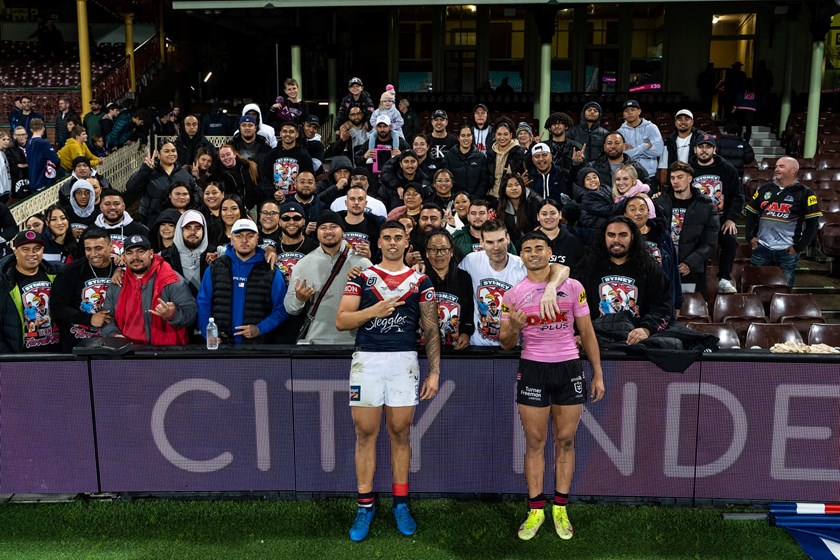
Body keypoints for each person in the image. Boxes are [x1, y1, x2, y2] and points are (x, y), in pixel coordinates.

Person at [335, 220, 441, 542]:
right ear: (378, 242)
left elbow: (431, 328)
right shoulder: (363, 278)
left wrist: (435, 371)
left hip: (404, 362)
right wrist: (374, 311)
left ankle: (400, 503)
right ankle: (365, 505)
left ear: (407, 242)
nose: (393, 243)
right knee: (365, 433)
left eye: (399, 237)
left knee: (400, 433)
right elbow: (341, 320)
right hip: (367, 360)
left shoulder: (421, 281)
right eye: (387, 238)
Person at [499, 231, 604, 542]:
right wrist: (514, 330)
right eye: (527, 249)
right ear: (522, 256)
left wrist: (597, 373)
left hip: (569, 368)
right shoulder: (513, 294)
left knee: (566, 440)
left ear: (550, 252)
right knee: (534, 442)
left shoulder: (572, 287)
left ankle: (560, 506)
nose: (533, 253)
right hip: (532, 370)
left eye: (539, 248)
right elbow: (505, 343)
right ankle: (535, 509)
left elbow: (587, 333)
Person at [458, 220, 568, 346]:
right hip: (479, 345)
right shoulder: (471, 261)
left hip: (514, 346)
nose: (496, 247)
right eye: (490, 242)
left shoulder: (521, 264)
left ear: (508, 239)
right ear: (481, 243)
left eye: (500, 240)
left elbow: (563, 269)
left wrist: (551, 287)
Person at [573, 216, 672, 343]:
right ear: (604, 237)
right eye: (611, 235)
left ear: (632, 237)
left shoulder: (649, 268)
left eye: (623, 235)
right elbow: (574, 305)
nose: (616, 240)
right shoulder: (587, 267)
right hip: (595, 338)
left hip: (636, 341)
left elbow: (663, 307)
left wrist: (646, 329)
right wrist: (579, 332)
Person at [284, 210, 372, 344]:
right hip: (316, 342)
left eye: (333, 226)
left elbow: (376, 303)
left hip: (355, 342)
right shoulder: (303, 264)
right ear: (317, 233)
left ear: (343, 231)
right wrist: (299, 298)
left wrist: (363, 283)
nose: (328, 231)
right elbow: (290, 307)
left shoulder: (361, 262)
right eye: (323, 228)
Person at [197, 219, 287, 345]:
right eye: (239, 236)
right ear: (231, 239)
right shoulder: (215, 268)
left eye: (250, 236)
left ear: (257, 238)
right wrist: (209, 333)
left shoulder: (271, 270)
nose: (244, 241)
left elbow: (281, 308)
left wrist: (260, 328)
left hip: (257, 347)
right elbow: (203, 303)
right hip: (221, 345)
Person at [100, 234, 197, 345]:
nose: (135, 257)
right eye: (129, 253)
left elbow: (191, 313)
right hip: (126, 353)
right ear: (124, 257)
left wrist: (173, 314)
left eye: (140, 251)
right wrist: (114, 336)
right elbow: (107, 318)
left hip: (164, 353)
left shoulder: (171, 279)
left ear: (151, 254)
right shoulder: (117, 283)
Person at [745, 157, 822, 286]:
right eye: (776, 166)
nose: (776, 169)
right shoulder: (764, 189)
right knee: (754, 287)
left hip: (787, 251)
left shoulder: (805, 193)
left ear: (793, 170)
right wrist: (750, 237)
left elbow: (813, 224)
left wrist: (799, 247)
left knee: (783, 290)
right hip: (762, 248)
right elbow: (751, 213)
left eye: (781, 166)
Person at [689, 133, 743, 294]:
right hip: (696, 222)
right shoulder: (687, 169)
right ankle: (695, 285)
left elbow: (738, 196)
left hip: (720, 220)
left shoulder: (727, 169)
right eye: (701, 147)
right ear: (695, 149)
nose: (704, 150)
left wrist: (731, 219)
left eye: (708, 147)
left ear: (714, 149)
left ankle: (724, 279)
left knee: (731, 240)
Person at [660, 162, 719, 298]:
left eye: (680, 177)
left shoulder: (706, 205)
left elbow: (710, 241)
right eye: (673, 178)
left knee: (690, 310)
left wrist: (690, 263)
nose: (675, 181)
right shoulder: (660, 202)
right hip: (663, 268)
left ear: (690, 178)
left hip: (691, 271)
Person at [51, 228, 115, 351]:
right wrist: (89, 319)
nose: (93, 254)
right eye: (88, 249)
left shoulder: (121, 268)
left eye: (98, 248)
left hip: (116, 343)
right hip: (79, 345)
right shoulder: (69, 272)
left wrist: (121, 268)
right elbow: (57, 307)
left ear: (110, 247)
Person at [0, 230, 61, 353]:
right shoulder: (4, 282)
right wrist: (9, 357)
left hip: (57, 354)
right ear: (16, 252)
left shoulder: (56, 274)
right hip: (21, 359)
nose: (32, 254)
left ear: (43, 250)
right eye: (25, 249)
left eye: (36, 249)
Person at [623, 193, 682, 318]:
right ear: (625, 214)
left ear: (649, 212)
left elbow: (674, 270)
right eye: (632, 209)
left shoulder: (663, 235)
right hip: (636, 300)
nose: (638, 213)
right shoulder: (621, 239)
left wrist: (677, 302)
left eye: (642, 208)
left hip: (663, 298)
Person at [421, 228, 475, 348]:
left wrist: (466, 333)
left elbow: (469, 311)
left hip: (456, 348)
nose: (439, 254)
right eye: (433, 249)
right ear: (427, 253)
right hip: (425, 349)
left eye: (444, 249)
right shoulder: (419, 279)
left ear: (451, 252)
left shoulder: (464, 277)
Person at [125, 141, 196, 228]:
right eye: (166, 151)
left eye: (173, 151)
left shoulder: (185, 175)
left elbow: (195, 194)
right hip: (151, 221)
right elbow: (131, 188)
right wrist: (145, 170)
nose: (171, 154)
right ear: (158, 154)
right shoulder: (149, 171)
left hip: (178, 221)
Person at [260, 121, 314, 202]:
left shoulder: (304, 155)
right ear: (280, 133)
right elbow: (265, 178)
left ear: (297, 134)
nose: (287, 134)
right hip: (275, 200)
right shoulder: (271, 154)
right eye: (285, 131)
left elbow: (309, 177)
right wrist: (273, 193)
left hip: (297, 200)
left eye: (291, 132)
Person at [160, 210, 209, 297]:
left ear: (204, 230)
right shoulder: (164, 257)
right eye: (187, 228)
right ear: (180, 230)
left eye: (197, 228)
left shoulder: (215, 255)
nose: (193, 232)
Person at [93, 189, 149, 260]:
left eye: (116, 204)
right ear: (101, 207)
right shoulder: (91, 230)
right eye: (107, 204)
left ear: (123, 206)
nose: (112, 207)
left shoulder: (139, 230)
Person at [617, 100, 663, 179]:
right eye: (626, 111)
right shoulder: (620, 132)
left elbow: (658, 151)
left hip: (649, 175)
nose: (629, 112)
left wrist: (632, 151)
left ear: (639, 111)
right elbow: (621, 156)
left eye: (633, 109)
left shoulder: (651, 128)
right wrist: (644, 146)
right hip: (629, 176)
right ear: (623, 114)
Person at [657, 109, 704, 187]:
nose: (683, 122)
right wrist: (664, 189)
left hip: (696, 180)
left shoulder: (700, 138)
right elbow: (664, 168)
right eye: (680, 119)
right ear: (675, 123)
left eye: (686, 119)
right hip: (676, 181)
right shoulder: (669, 141)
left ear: (692, 122)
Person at [441, 125, 488, 199]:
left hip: (476, 200)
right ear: (458, 137)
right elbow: (447, 180)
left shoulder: (480, 157)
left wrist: (473, 198)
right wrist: (457, 198)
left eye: (469, 135)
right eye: (463, 135)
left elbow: (484, 182)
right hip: (455, 199)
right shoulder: (449, 156)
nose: (466, 138)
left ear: (472, 137)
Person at [536, 199, 584, 267]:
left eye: (553, 213)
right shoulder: (529, 241)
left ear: (560, 215)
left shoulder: (573, 241)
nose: (548, 217)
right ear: (538, 216)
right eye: (544, 214)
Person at [339, 186, 383, 260]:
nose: (356, 202)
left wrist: (370, 257)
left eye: (360, 199)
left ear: (365, 203)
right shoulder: (335, 225)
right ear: (346, 203)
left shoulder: (376, 227)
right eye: (352, 199)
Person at [486, 118, 527, 198]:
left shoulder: (520, 153)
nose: (502, 138)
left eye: (505, 134)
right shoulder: (491, 153)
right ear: (495, 135)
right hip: (492, 197)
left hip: (512, 198)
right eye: (499, 134)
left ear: (511, 135)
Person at [498, 173, 541, 247]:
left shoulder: (534, 202)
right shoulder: (501, 206)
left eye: (517, 184)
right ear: (504, 190)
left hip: (535, 242)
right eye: (509, 186)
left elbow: (538, 228)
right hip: (513, 245)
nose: (514, 188)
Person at [218, 144, 262, 212]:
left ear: (234, 154)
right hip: (233, 210)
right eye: (222, 156)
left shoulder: (250, 166)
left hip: (252, 208)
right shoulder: (220, 176)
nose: (226, 158)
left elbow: (260, 185)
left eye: (228, 154)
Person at [542, 112, 584, 178]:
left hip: (569, 183)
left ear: (566, 126)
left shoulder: (575, 146)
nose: (556, 126)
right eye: (553, 124)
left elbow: (583, 170)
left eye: (560, 123)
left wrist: (577, 163)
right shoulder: (543, 146)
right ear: (549, 128)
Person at [25, 118, 59, 194]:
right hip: (42, 181)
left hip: (33, 179)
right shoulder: (43, 143)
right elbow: (56, 160)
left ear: (31, 129)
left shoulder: (29, 142)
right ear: (43, 128)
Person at [368, 86, 403, 151]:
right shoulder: (377, 111)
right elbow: (372, 120)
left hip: (392, 129)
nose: (387, 103)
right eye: (385, 101)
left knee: (395, 135)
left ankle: (395, 151)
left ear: (393, 102)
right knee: (372, 136)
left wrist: (393, 126)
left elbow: (400, 121)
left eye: (390, 101)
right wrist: (376, 126)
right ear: (381, 102)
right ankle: (371, 153)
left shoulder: (395, 112)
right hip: (379, 129)